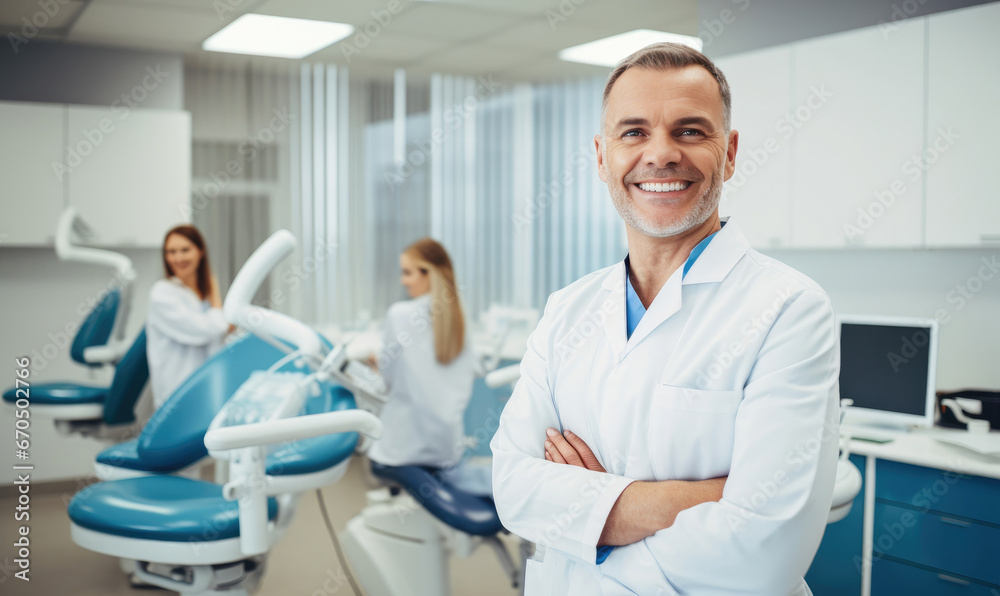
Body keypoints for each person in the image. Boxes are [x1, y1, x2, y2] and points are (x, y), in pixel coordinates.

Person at [490, 43, 839, 595]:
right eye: (634, 132)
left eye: (690, 131)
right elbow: (513, 489)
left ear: (729, 153)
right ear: (602, 156)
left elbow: (762, 552)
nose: (660, 154)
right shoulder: (567, 310)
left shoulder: (789, 309)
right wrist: (700, 500)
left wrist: (587, 521)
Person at [366, 238, 479, 472]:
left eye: (408, 273)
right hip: (447, 447)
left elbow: (386, 382)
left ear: (428, 273)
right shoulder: (459, 317)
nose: (403, 280)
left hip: (403, 448)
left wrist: (377, 364)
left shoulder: (399, 314)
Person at [146, 225, 230, 409]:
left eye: (185, 250)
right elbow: (209, 330)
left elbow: (220, 333)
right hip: (177, 394)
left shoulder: (201, 295)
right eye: (171, 252)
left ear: (200, 251)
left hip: (207, 388)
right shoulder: (162, 293)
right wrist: (215, 292)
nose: (178, 258)